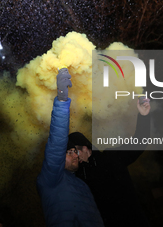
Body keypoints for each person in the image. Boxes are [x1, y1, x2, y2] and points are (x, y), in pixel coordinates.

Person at [36, 68, 104, 227]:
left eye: (75, 152)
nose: (75, 155)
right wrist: (61, 101)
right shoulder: (51, 179)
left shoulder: (83, 185)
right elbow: (56, 144)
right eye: (68, 152)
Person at [72, 98, 151, 227]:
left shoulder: (111, 157)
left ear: (86, 147)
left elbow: (139, 142)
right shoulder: (79, 176)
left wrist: (144, 116)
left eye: (77, 151)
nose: (75, 156)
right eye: (71, 153)